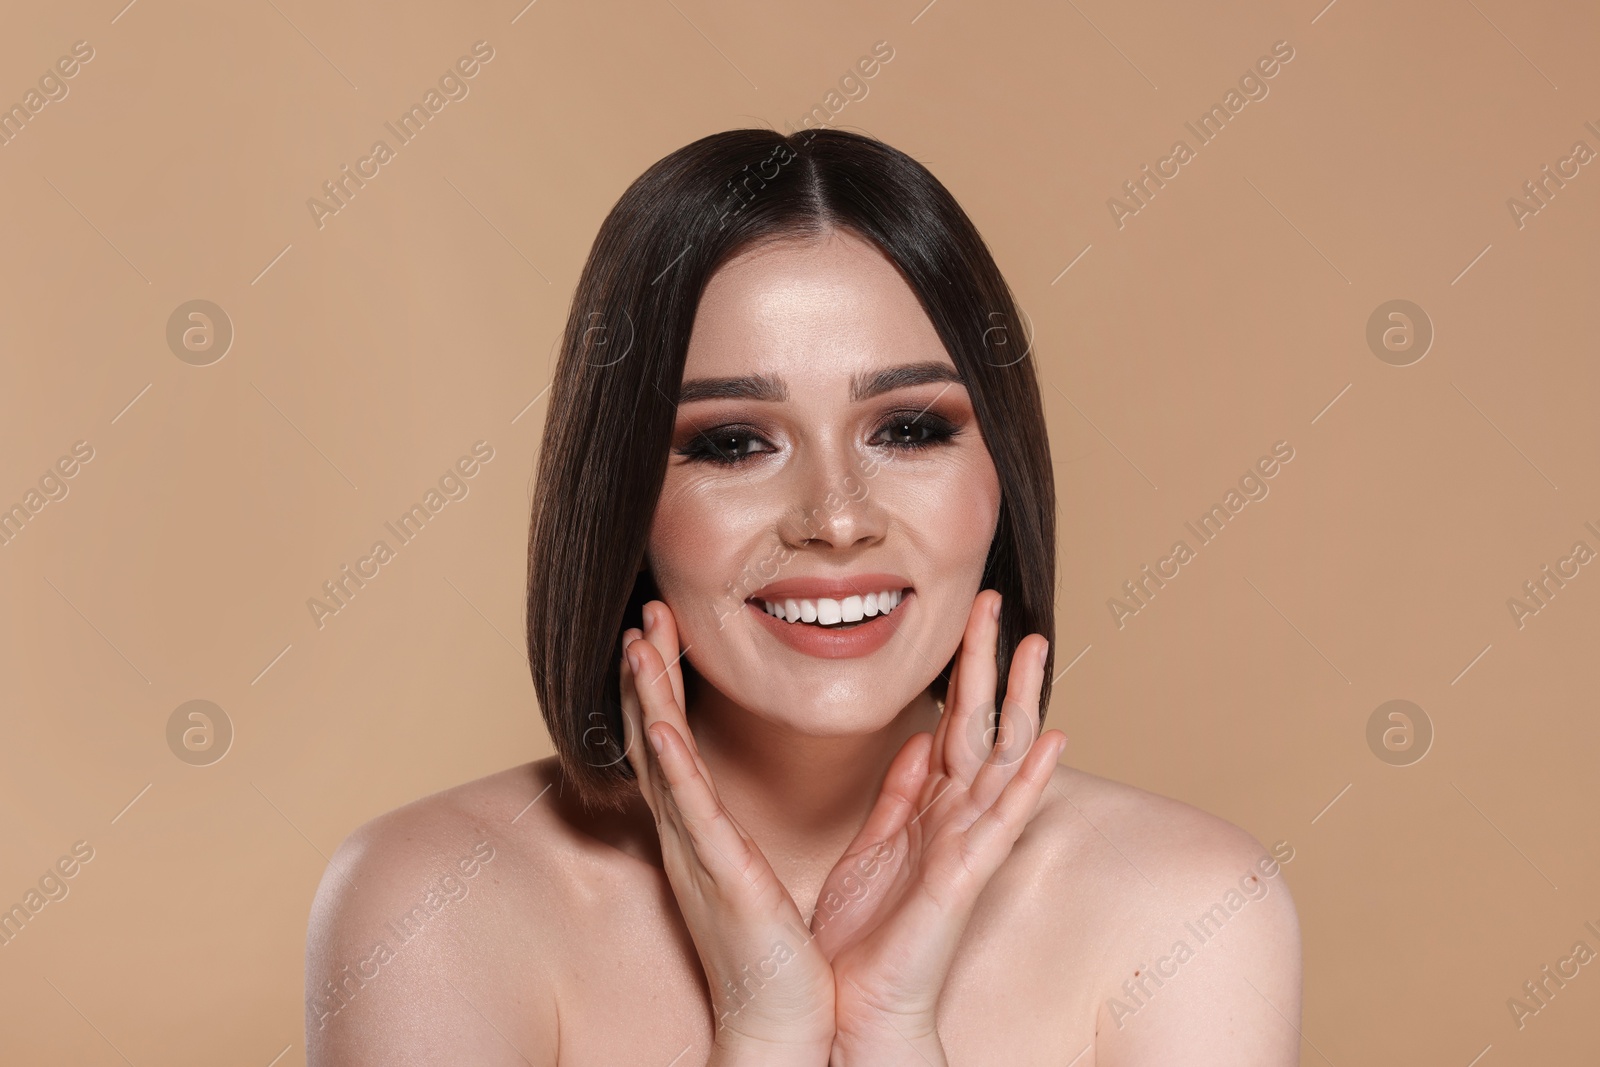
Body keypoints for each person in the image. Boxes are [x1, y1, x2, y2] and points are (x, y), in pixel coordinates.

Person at [305, 127, 1302, 1066]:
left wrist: (891, 1034)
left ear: (1002, 478)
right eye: (733, 441)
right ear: (622, 499)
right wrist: (764, 1034)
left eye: (908, 428)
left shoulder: (1188, 906)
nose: (834, 517)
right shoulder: (429, 902)